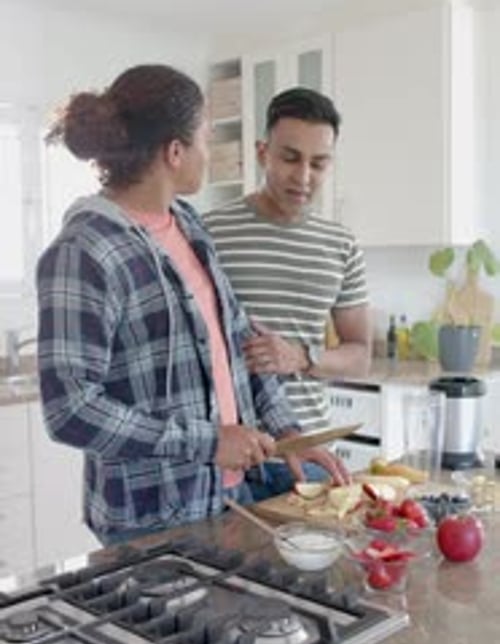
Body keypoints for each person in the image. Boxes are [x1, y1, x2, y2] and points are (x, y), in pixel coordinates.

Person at [36, 65, 349, 546]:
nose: (209, 151)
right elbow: (71, 409)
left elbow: (242, 339)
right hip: (150, 515)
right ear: (175, 152)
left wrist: (290, 436)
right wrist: (209, 441)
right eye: (205, 137)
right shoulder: (85, 251)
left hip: (225, 495)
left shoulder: (186, 224)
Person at [203, 87, 372, 500]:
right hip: (231, 461)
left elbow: (360, 356)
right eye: (290, 158)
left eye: (319, 162)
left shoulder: (341, 244)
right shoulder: (208, 233)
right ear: (263, 153)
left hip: (311, 458)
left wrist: (301, 356)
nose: (303, 177)